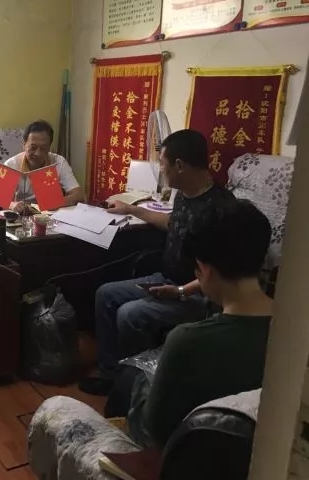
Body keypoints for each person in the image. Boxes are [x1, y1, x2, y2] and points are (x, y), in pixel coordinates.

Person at [80, 129, 235, 396]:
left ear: (179, 165)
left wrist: (181, 291)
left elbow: (221, 272)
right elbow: (172, 222)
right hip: (167, 280)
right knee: (106, 294)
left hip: (198, 295)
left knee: (130, 314)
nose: (161, 171)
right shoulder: (185, 193)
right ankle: (112, 375)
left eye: (163, 164)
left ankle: (139, 386)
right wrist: (131, 209)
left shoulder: (221, 209)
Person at [127, 199, 273, 447]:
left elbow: (156, 429)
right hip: (259, 448)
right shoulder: (294, 330)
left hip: (196, 455)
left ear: (205, 270)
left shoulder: (187, 340)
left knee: (140, 379)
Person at [4, 120, 84, 212]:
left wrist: (58, 203)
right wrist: (13, 205)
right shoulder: (10, 164)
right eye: (33, 148)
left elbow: (79, 195)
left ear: (49, 147)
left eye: (43, 148)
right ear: (24, 145)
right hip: (23, 214)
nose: (38, 153)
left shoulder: (59, 162)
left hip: (51, 214)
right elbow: (0, 199)